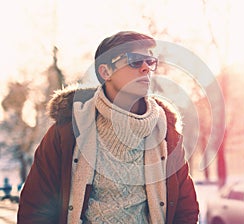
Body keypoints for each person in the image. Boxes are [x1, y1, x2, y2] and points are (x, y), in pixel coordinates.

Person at [17, 31, 199, 224]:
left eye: (150, 61)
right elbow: (35, 208)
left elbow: (185, 209)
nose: (146, 68)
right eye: (135, 61)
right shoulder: (67, 131)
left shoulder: (166, 134)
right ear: (106, 72)